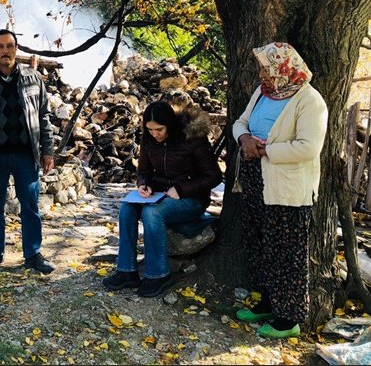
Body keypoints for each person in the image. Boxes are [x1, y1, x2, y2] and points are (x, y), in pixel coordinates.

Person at [231, 42, 327, 339]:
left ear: (283, 67)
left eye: (265, 68)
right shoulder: (263, 92)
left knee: (288, 252)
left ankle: (289, 319)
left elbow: (309, 147)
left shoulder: (310, 101)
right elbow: (240, 122)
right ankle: (267, 303)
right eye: (261, 68)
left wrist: (265, 150)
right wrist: (244, 138)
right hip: (255, 177)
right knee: (260, 243)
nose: (261, 74)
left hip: (286, 187)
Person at [103, 100, 222, 297]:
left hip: (192, 200)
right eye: (150, 130)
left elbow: (214, 176)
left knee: (151, 213)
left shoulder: (192, 138)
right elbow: (144, 170)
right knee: (126, 209)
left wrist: (182, 189)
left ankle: (158, 275)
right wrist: (143, 184)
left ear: (170, 125)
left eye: (159, 129)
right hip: (158, 195)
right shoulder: (148, 139)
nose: (154, 134)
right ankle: (127, 271)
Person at [0, 29, 56, 274]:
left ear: (16, 49)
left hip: (27, 155)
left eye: (10, 46)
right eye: (0, 46)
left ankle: (33, 254)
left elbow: (44, 117)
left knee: (30, 205)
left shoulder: (33, 79)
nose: (5, 51)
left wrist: (48, 151)